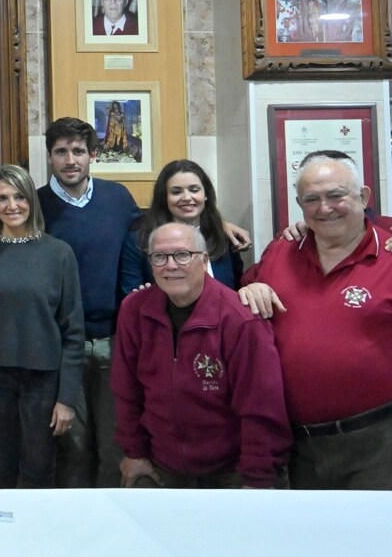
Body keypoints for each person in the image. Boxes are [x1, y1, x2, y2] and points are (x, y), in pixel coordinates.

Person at [239, 151, 392, 489]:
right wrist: (250, 290)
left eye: (336, 195)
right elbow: (242, 301)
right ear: (300, 204)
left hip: (378, 441)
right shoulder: (280, 251)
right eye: (312, 199)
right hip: (297, 444)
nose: (325, 208)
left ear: (364, 196)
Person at [113, 223, 290, 489]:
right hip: (161, 467)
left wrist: (257, 477)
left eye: (183, 255)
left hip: (231, 472)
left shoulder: (240, 319)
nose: (170, 265)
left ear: (204, 260)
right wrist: (134, 453)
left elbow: (261, 407)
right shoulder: (134, 311)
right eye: (159, 257)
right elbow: (127, 392)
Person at [0, 164, 83, 488]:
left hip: (43, 379)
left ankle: (37, 536)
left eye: (19, 197)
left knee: (40, 467)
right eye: (2, 198)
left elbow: (73, 331)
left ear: (31, 200)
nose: (12, 205)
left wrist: (67, 398)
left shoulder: (59, 254)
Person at [36, 117, 142, 487]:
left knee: (116, 443)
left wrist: (218, 226)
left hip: (113, 340)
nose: (70, 160)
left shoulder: (117, 198)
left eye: (78, 151)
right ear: (49, 157)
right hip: (62, 346)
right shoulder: (35, 205)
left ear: (93, 155)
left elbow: (159, 229)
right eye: (61, 152)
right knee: (72, 447)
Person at [121, 160, 244, 293]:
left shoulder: (223, 236)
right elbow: (129, 297)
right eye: (176, 192)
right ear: (164, 198)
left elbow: (236, 290)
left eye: (194, 190)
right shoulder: (138, 240)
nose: (186, 197)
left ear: (206, 194)